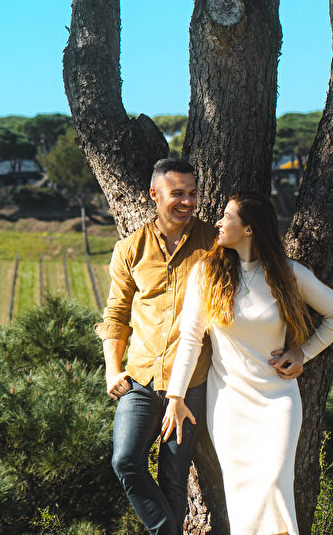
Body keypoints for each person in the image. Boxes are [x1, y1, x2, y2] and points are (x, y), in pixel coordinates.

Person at [160, 192, 333, 535]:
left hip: (278, 401)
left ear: (249, 229)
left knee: (275, 485)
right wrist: (175, 396)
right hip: (229, 403)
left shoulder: (288, 274)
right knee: (241, 495)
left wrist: (302, 353)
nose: (217, 222)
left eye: (227, 217)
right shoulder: (206, 273)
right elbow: (190, 340)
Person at [96, 157, 218, 535]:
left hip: (191, 383)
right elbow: (115, 313)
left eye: (192, 193)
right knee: (125, 460)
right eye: (177, 193)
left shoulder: (214, 245)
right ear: (154, 195)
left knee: (174, 478)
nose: (187, 201)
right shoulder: (130, 249)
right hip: (141, 379)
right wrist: (112, 369)